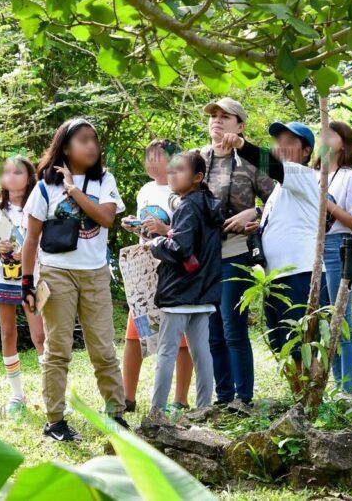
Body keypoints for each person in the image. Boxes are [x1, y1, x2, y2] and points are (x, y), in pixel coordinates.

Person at [21, 118, 128, 442]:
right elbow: (31, 239)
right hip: (57, 273)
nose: (92, 145)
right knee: (58, 350)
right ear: (65, 147)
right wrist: (27, 282)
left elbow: (106, 217)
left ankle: (116, 415)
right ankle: (55, 421)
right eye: (83, 140)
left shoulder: (104, 181)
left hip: (95, 274)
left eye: (94, 140)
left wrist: (72, 189)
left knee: (103, 349)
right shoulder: (43, 187)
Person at [219, 122, 318, 369]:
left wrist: (241, 144)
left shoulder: (303, 175)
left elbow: (271, 165)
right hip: (277, 276)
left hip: (298, 273)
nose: (280, 146)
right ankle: (300, 404)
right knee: (285, 347)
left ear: (306, 152)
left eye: (288, 142)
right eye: (277, 141)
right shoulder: (280, 190)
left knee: (301, 346)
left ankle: (312, 405)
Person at [200, 97, 275, 407]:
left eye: (225, 116)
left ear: (240, 125)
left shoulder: (255, 160)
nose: (216, 120)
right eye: (213, 116)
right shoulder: (195, 158)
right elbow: (175, 198)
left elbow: (279, 200)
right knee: (212, 332)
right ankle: (223, 396)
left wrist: (252, 213)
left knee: (233, 327)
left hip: (235, 253)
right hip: (203, 259)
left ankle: (243, 397)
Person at [120, 140, 193, 413]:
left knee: (180, 334)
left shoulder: (181, 192)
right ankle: (127, 397)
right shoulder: (145, 190)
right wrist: (134, 226)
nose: (151, 161)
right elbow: (145, 228)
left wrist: (164, 229)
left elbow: (187, 232)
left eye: (158, 156)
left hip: (172, 267)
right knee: (136, 329)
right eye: (147, 155)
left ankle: (181, 398)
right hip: (143, 268)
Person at [147, 151, 223, 412]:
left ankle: (156, 412)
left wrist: (156, 243)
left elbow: (180, 248)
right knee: (202, 353)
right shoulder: (208, 204)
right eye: (171, 169)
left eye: (179, 169)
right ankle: (204, 408)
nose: (172, 174)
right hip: (203, 293)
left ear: (197, 177)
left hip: (180, 291)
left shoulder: (188, 205)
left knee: (166, 353)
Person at [0, 156, 45, 416]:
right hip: (1, 277)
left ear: (29, 177)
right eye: (6, 173)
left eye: (18, 172)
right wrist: (0, 248)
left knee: (39, 335)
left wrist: (28, 253)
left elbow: (45, 243)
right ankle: (17, 394)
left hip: (33, 277)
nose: (11, 177)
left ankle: (49, 391)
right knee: (8, 334)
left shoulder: (39, 205)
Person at [314, 121, 352, 392]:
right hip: (313, 249)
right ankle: (332, 385)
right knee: (322, 319)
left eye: (330, 135)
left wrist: (326, 202)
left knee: (341, 316)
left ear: (343, 144)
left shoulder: (350, 176)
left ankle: (347, 388)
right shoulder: (313, 173)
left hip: (338, 246)